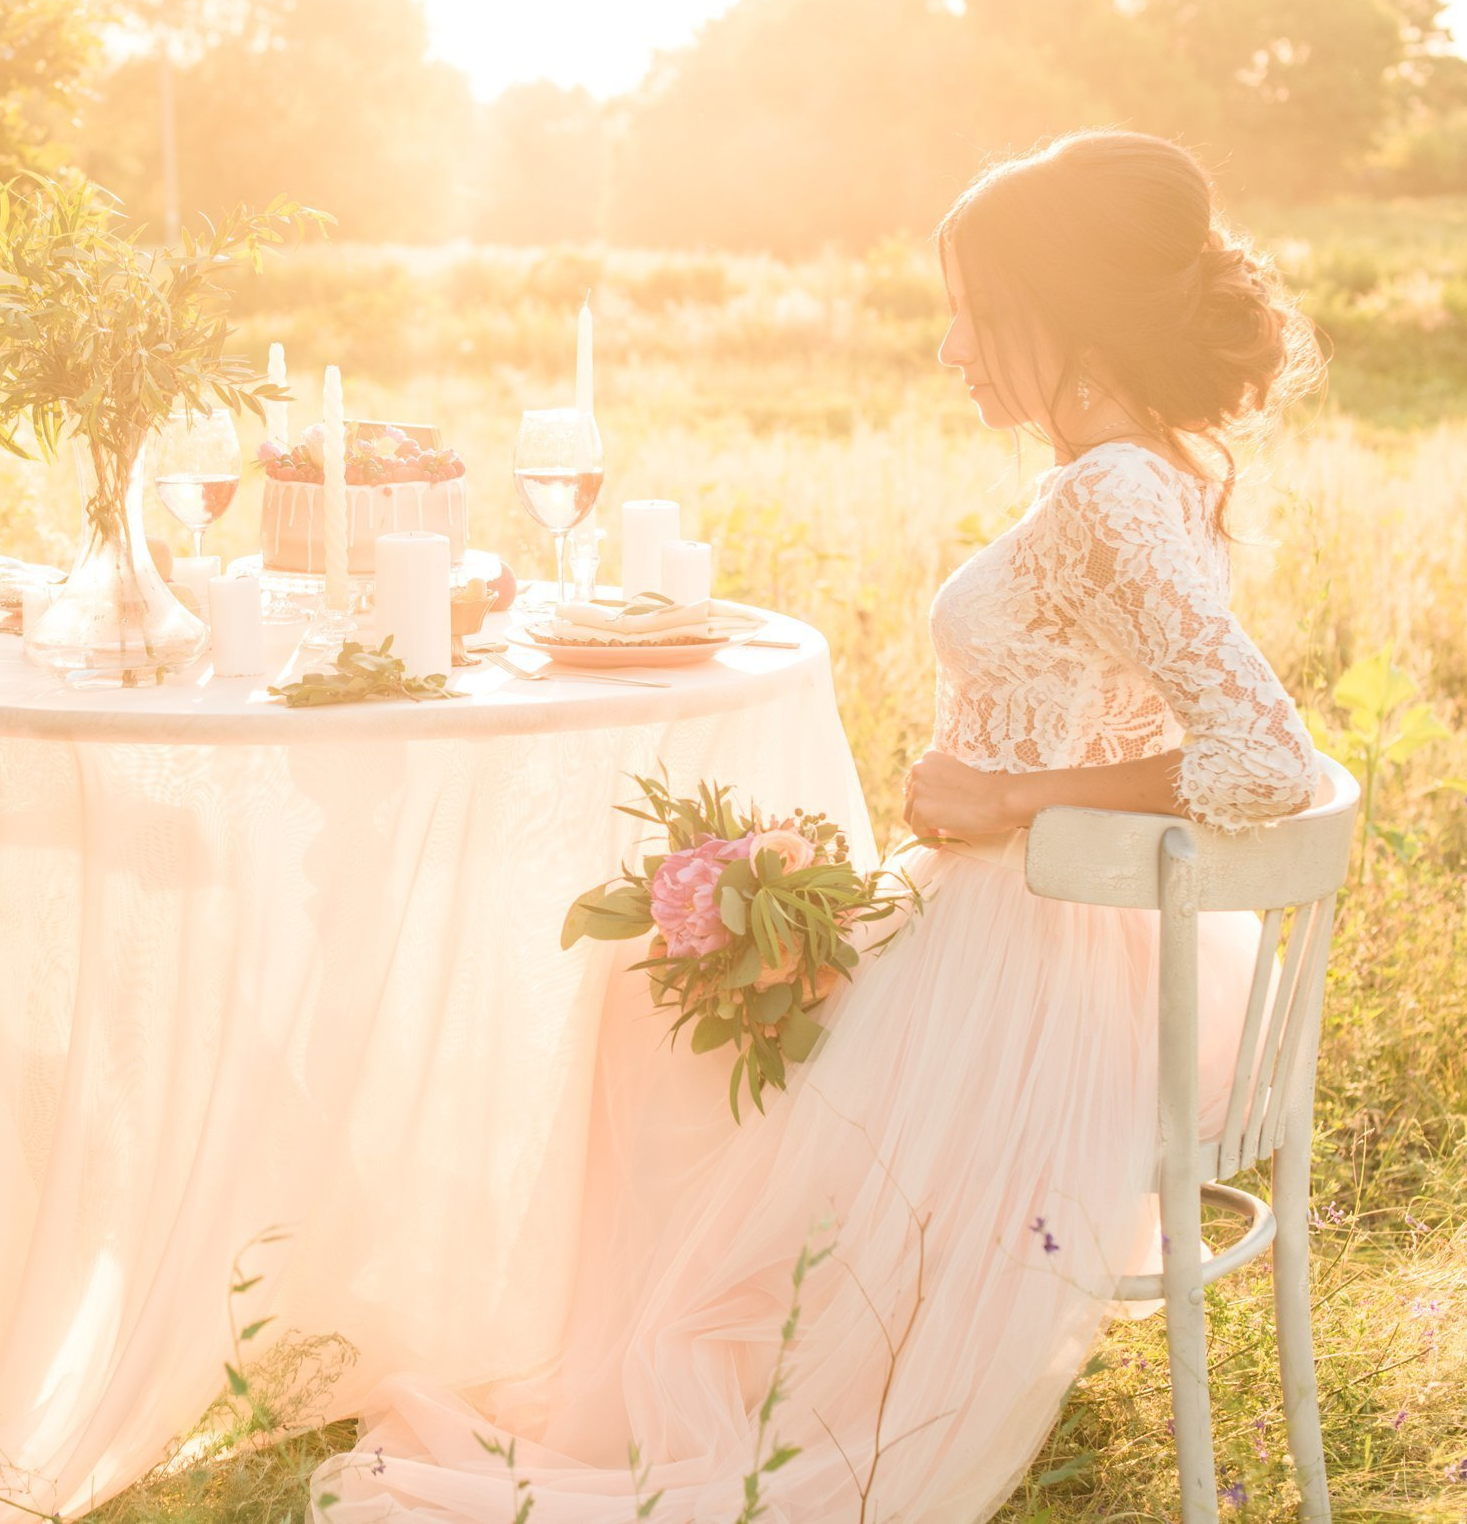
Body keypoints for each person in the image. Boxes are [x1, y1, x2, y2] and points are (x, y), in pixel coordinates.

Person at [315, 130, 1323, 1522]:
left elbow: (1268, 756)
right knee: (666, 986)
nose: (952, 348)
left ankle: (712, 1386)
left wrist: (1007, 799)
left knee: (657, 1025)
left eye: (977, 311)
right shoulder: (1135, 472)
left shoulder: (1114, 491)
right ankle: (694, 1364)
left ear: (1066, 317)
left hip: (1028, 971)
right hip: (1034, 926)